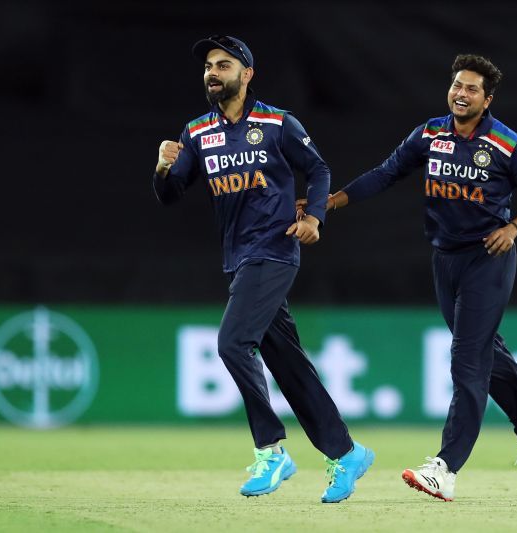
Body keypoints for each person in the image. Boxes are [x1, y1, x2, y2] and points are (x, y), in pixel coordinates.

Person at [301, 54, 517, 501]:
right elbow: (385, 174)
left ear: (487, 98)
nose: (461, 93)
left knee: (466, 360)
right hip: (445, 260)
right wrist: (327, 205)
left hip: (488, 259)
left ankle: (445, 468)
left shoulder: (509, 144)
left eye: (471, 88)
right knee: (485, 356)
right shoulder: (430, 133)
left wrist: (513, 228)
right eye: (457, 85)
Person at [152, 35, 374, 504]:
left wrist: (313, 217)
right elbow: (171, 195)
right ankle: (346, 453)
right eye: (209, 65)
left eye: (224, 64)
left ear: (247, 74)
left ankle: (271, 450)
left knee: (232, 342)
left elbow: (318, 170)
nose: (213, 72)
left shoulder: (277, 123)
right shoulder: (196, 133)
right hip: (238, 258)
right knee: (289, 365)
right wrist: (161, 171)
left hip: (274, 250)